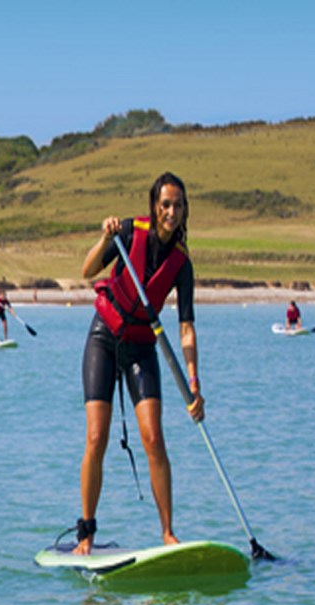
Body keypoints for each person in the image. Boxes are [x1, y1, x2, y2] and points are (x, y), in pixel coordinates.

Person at [74, 172, 204, 555]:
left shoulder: (182, 265)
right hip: (104, 339)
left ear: (184, 211)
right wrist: (104, 237)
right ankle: (86, 534)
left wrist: (194, 386)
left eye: (178, 205)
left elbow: (186, 329)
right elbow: (87, 270)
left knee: (153, 438)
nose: (171, 212)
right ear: (154, 206)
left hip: (142, 349)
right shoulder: (129, 232)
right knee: (96, 437)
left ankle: (167, 532)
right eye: (165, 204)